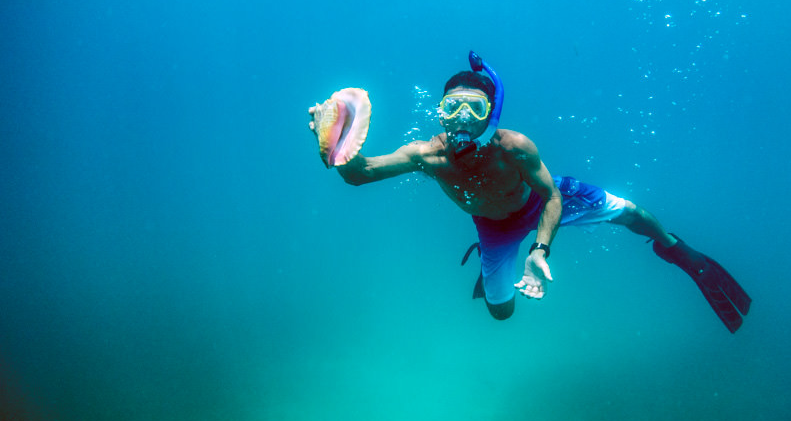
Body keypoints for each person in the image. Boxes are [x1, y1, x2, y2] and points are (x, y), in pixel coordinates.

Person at [309, 52, 751, 332]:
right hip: (494, 228)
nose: (462, 118)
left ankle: (675, 249)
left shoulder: (515, 147)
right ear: (439, 113)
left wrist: (540, 250)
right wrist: (332, 146)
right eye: (451, 107)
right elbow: (361, 174)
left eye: (474, 108)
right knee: (500, 314)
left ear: (491, 114)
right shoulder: (428, 155)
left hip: (541, 201)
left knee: (632, 213)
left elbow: (552, 197)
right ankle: (490, 267)